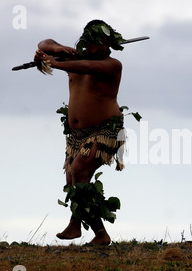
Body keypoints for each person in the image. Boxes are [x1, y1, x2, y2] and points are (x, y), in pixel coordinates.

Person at [34, 20, 126, 245]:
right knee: (74, 180)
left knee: (79, 169)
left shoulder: (112, 65)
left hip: (105, 130)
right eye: (97, 43)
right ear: (86, 44)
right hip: (77, 136)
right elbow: (44, 43)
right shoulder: (71, 58)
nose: (104, 47)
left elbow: (87, 68)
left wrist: (54, 63)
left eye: (107, 42)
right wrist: (56, 51)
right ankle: (96, 232)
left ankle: (80, 226)